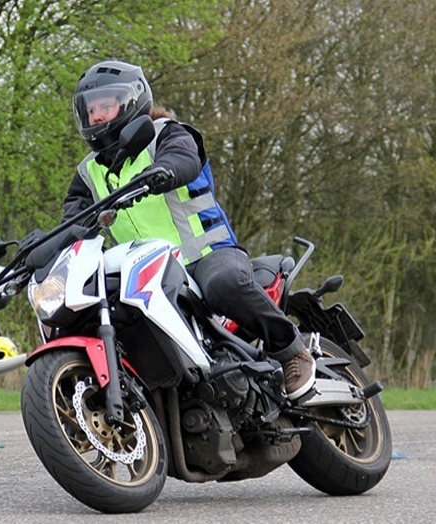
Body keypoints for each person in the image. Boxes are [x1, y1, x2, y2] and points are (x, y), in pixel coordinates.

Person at [61, 59, 315, 399]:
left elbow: (184, 159)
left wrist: (163, 171)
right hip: (143, 272)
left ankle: (291, 351)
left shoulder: (168, 134)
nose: (97, 117)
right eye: (90, 111)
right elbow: (72, 220)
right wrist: (39, 250)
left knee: (225, 285)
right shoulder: (89, 172)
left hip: (207, 256)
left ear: (132, 101)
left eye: (105, 106)